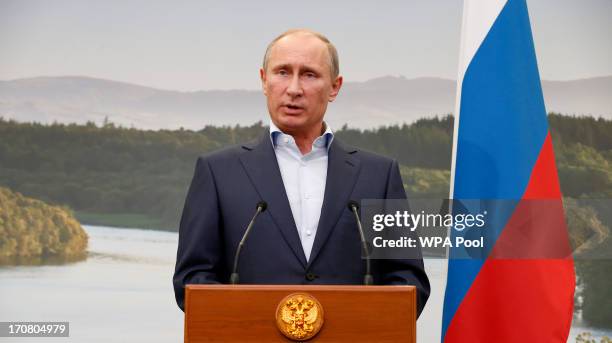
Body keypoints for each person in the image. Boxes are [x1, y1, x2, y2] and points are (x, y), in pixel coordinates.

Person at [173, 29, 430, 315]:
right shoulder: (218, 172)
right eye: (282, 72)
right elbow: (192, 280)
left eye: (309, 74)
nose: (294, 88)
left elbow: (408, 281)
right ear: (263, 80)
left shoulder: (379, 176)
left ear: (334, 86)